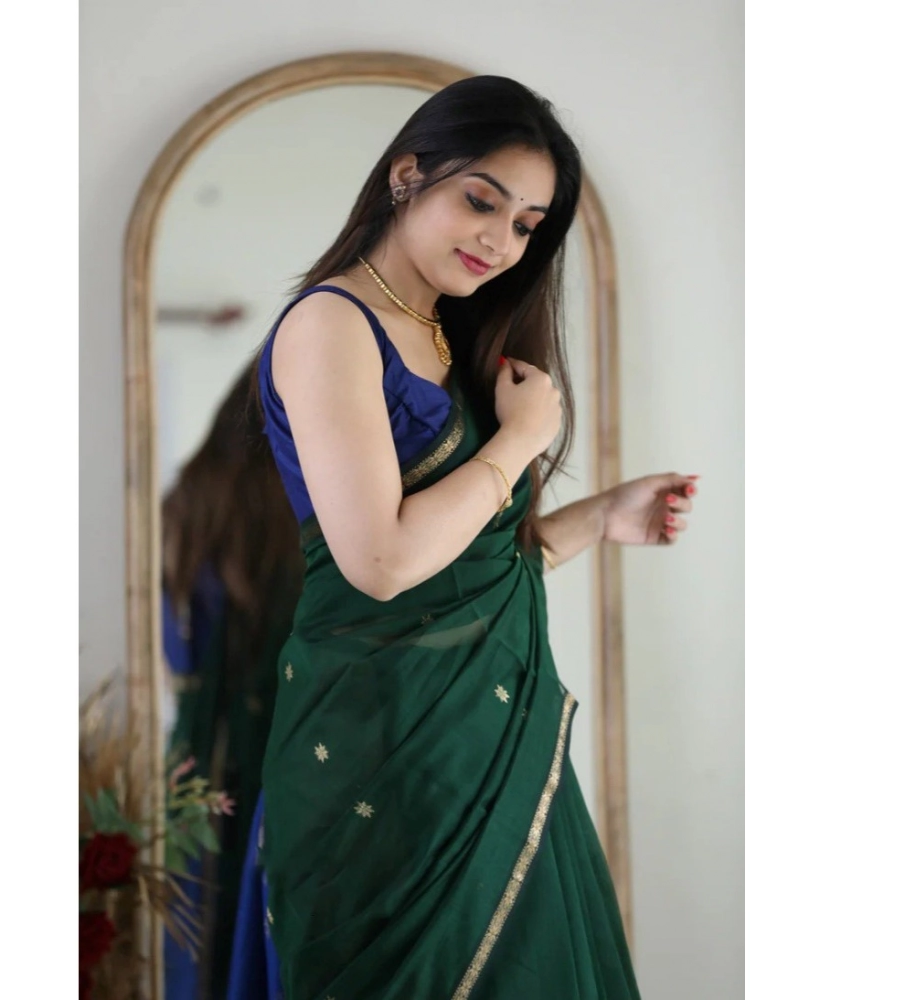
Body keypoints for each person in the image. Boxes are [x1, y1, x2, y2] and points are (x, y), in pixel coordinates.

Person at [228, 74, 698, 999]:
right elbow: (383, 564)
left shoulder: (449, 334)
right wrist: (520, 440)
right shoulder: (331, 324)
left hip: (482, 744)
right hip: (380, 749)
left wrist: (598, 517)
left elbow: (465, 571)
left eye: (525, 225)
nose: (500, 240)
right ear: (408, 174)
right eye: (482, 201)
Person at [161, 359, 304, 1000]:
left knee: (197, 928)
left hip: (199, 753)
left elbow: (173, 653)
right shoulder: (304, 510)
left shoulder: (184, 506)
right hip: (287, 737)